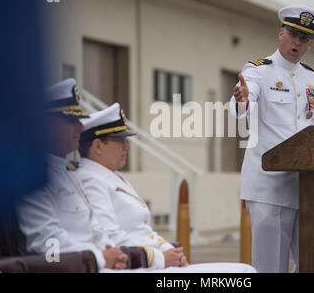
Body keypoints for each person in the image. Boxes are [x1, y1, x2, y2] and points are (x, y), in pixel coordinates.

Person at [77, 103, 256, 273]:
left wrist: (170, 251)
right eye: (120, 141)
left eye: (126, 140)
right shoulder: (89, 179)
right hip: (135, 267)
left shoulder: (110, 175)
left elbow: (143, 231)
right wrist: (161, 258)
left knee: (244, 270)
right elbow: (109, 239)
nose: (127, 146)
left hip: (150, 264)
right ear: (98, 146)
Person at [231, 5, 314, 273]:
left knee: (312, 262)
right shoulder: (259, 70)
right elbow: (240, 105)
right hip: (269, 188)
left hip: (306, 187)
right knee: (271, 267)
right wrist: (242, 100)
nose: (297, 42)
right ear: (281, 34)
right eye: (293, 34)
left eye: (305, 38)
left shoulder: (312, 78)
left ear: (310, 44)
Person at [16, 78, 129, 272]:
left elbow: (95, 230)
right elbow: (46, 244)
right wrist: (100, 258)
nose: (81, 127)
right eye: (71, 120)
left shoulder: (68, 173)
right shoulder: (30, 175)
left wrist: (112, 253)